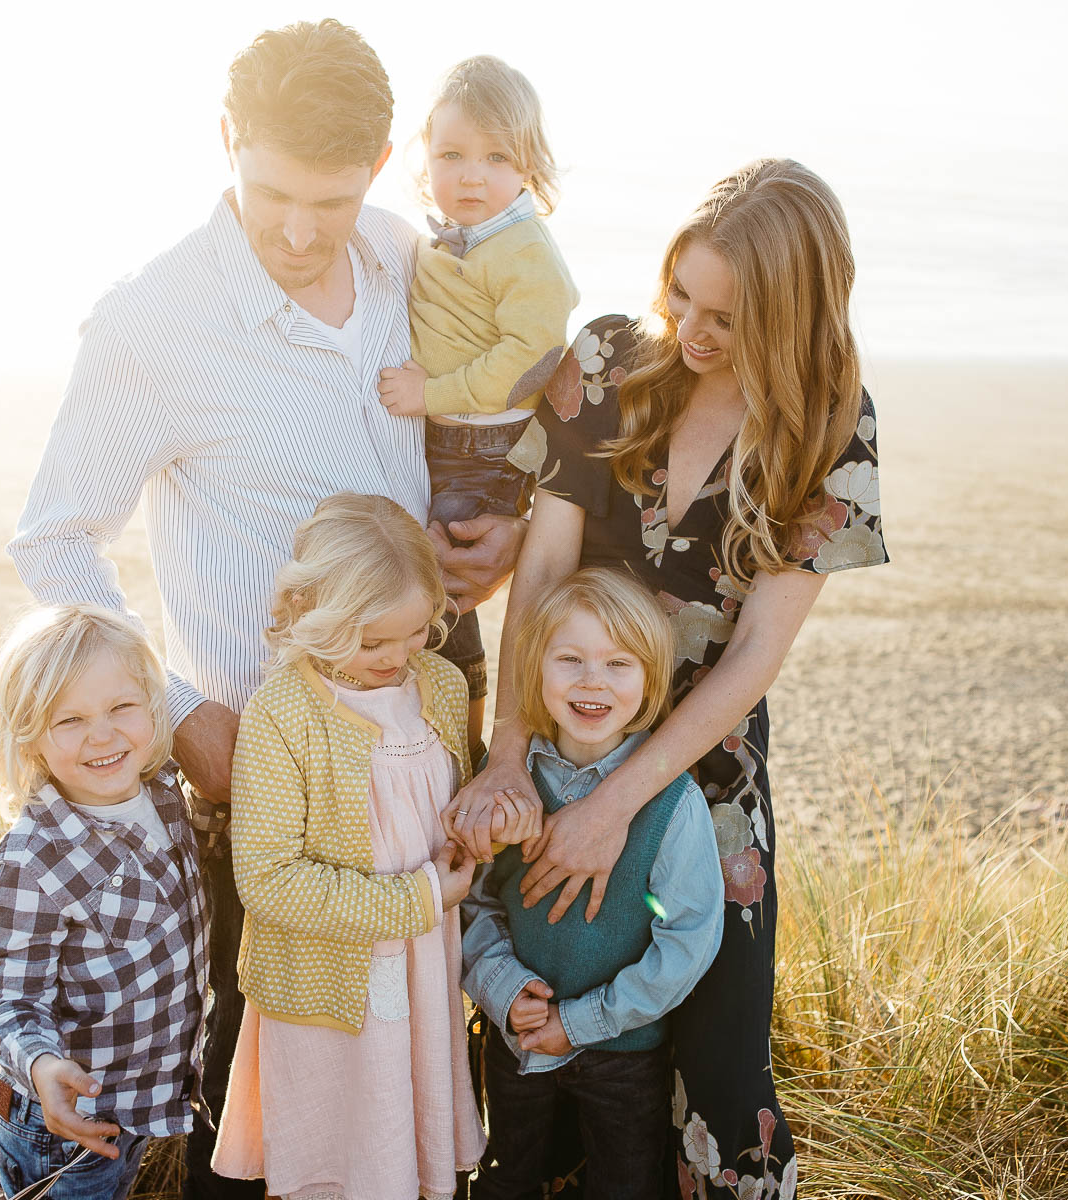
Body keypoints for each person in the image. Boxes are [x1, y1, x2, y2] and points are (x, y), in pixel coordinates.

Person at [5, 21, 525, 1198]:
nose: (298, 232)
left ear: (381, 164)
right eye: (272, 192)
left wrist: (499, 521)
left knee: (426, 1014)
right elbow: (53, 537)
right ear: (226, 140)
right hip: (270, 750)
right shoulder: (150, 324)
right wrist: (178, 712)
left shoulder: (404, 254)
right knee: (268, 1062)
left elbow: (481, 406)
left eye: (331, 200)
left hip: (429, 707)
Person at [454, 158, 890, 1197]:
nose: (691, 329)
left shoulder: (833, 425)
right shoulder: (608, 360)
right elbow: (543, 574)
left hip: (708, 770)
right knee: (537, 1039)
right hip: (562, 743)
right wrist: (509, 755)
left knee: (719, 1062)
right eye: (681, 294)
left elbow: (755, 655)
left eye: (727, 318)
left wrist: (618, 808)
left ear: (791, 316)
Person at [211, 494, 508, 1200]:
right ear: (312, 612)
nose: (397, 657)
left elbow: (447, 809)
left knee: (408, 1143)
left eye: (415, 633)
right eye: (373, 642)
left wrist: (483, 833)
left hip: (424, 970)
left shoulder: (439, 685)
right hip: (328, 987)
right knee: (344, 1156)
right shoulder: (284, 713)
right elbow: (270, 880)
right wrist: (421, 896)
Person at [461, 568, 724, 1200]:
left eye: (618, 664)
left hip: (624, 1053)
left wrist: (583, 1021)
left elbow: (687, 937)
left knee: (623, 1186)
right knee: (503, 1180)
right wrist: (501, 986)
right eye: (570, 659)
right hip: (517, 1036)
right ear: (535, 669)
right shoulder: (510, 781)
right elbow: (472, 899)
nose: (592, 681)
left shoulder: (672, 803)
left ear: (650, 680)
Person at [375, 55, 577, 750]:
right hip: (449, 435)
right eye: (451, 155)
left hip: (483, 445)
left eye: (496, 158)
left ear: (529, 166)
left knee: (444, 587)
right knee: (425, 578)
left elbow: (526, 365)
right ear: (424, 157)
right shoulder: (459, 235)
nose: (470, 175)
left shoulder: (525, 252)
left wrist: (428, 393)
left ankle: (464, 731)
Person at [0, 605, 207, 1200]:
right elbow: (12, 1003)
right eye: (70, 719)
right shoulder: (32, 861)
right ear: (28, 735)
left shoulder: (166, 795)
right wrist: (42, 1066)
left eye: (121, 707)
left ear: (153, 705)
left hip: (137, 1103)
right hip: (64, 1121)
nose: (102, 735)